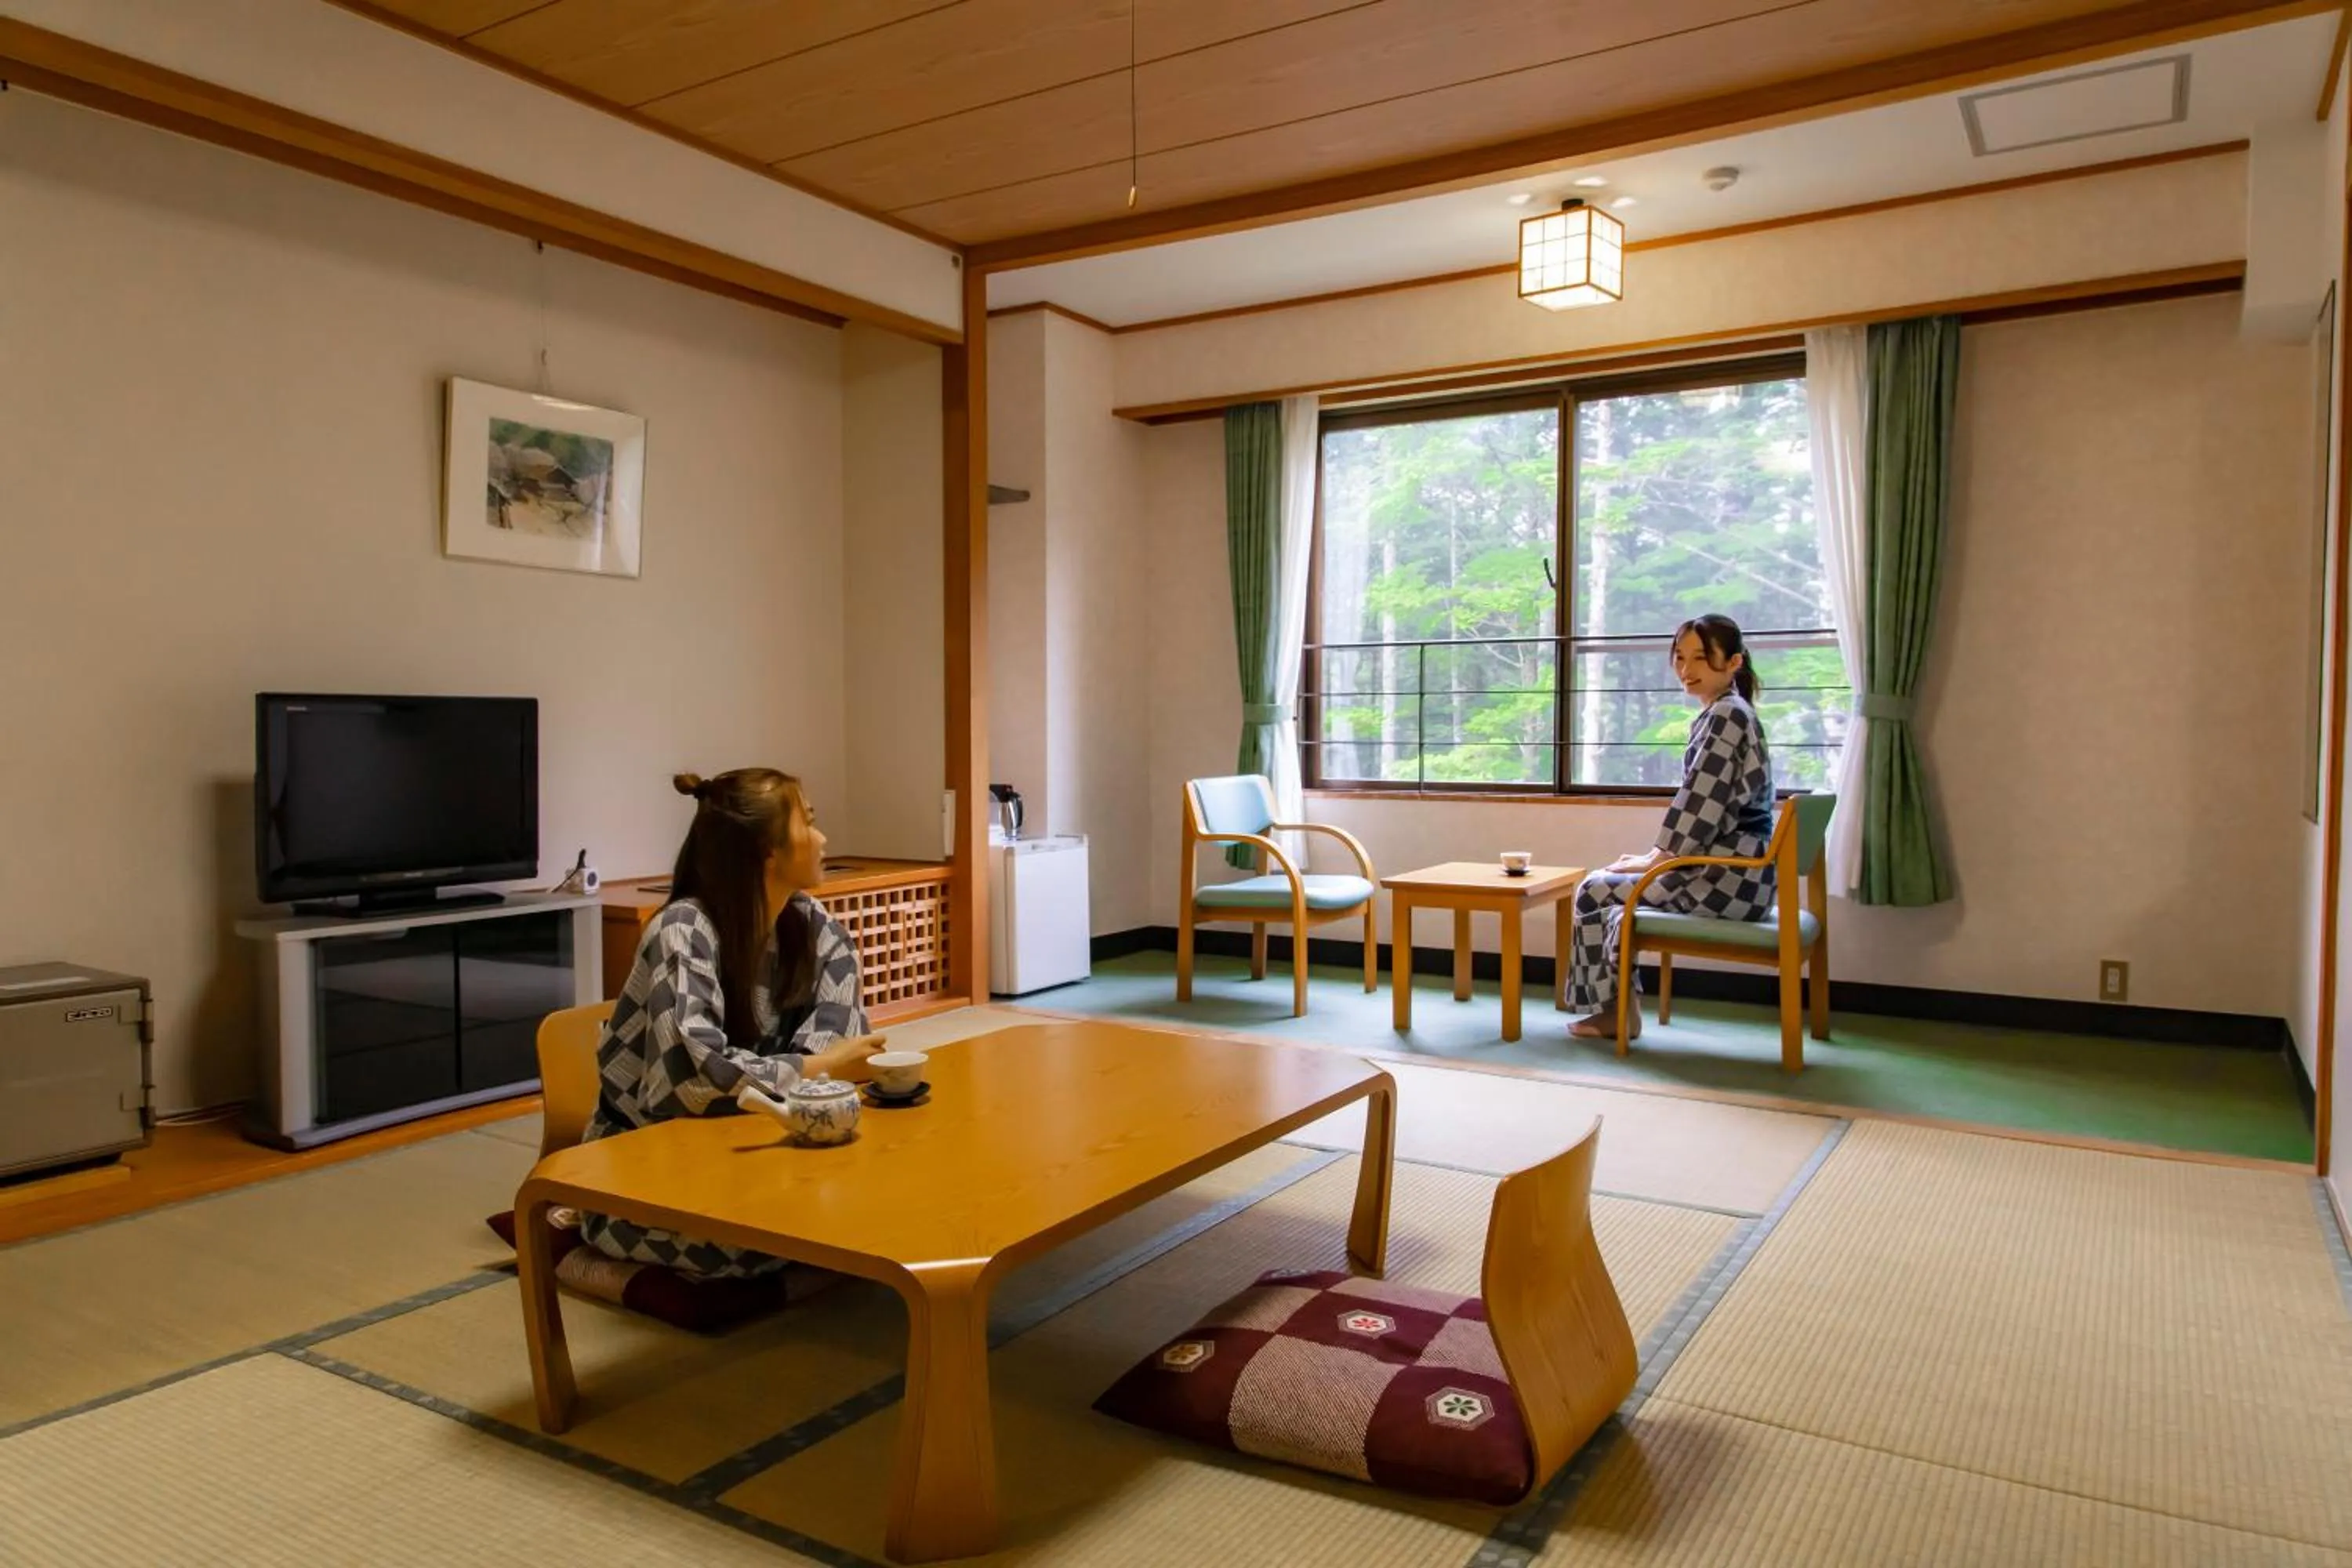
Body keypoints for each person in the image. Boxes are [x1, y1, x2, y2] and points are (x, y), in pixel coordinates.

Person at [576, 768, 882, 1279]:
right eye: (808, 823)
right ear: (767, 850)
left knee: (872, 1207)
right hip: (648, 1165)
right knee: (751, 1249)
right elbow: (694, 1081)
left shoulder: (817, 928)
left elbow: (831, 1065)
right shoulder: (682, 930)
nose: (823, 838)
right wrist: (818, 1068)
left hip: (760, 1149)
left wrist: (821, 1070)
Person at [1563, 615, 1777, 1040]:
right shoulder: (1731, 712)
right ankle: (1619, 1008)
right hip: (1744, 875)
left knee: (1594, 890)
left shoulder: (1727, 716)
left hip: (1730, 880)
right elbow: (1704, 805)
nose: (1686, 669)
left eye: (1701, 657)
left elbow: (1702, 802)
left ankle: (1614, 1013)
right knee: (1611, 881)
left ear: (1734, 662)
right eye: (1680, 657)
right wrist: (1654, 858)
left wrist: (1658, 861)